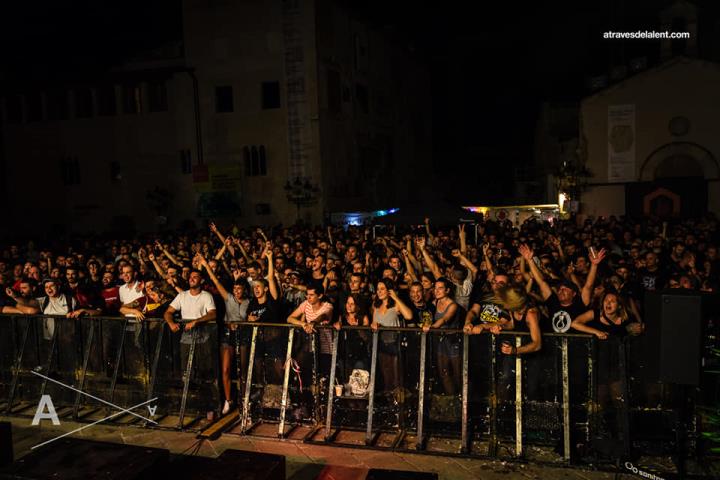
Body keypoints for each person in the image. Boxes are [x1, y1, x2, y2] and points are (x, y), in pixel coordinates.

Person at [198, 253, 249, 415]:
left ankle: (244, 400)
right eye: (235, 288)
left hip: (243, 336)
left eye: (239, 288)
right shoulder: (228, 298)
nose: (236, 291)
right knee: (226, 369)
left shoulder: (250, 302)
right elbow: (215, 281)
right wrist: (206, 265)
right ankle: (228, 400)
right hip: (227, 335)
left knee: (243, 371)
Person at [371, 279, 413, 392]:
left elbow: (409, 316)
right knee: (385, 377)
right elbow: (373, 322)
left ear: (389, 290)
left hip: (394, 344)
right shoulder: (375, 305)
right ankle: (388, 404)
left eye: (382, 289)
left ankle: (398, 405)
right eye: (378, 289)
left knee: (396, 377)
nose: (379, 291)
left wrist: (395, 297)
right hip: (380, 344)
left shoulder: (395, 305)